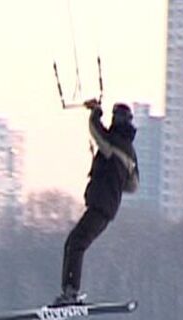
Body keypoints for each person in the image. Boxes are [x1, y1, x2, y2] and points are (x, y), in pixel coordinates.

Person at [53, 100, 139, 306]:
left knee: (75, 244)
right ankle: (70, 291)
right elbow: (133, 185)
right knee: (75, 243)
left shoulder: (114, 142)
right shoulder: (130, 151)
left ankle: (70, 293)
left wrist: (95, 112)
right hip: (108, 208)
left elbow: (97, 132)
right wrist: (115, 183)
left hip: (100, 206)